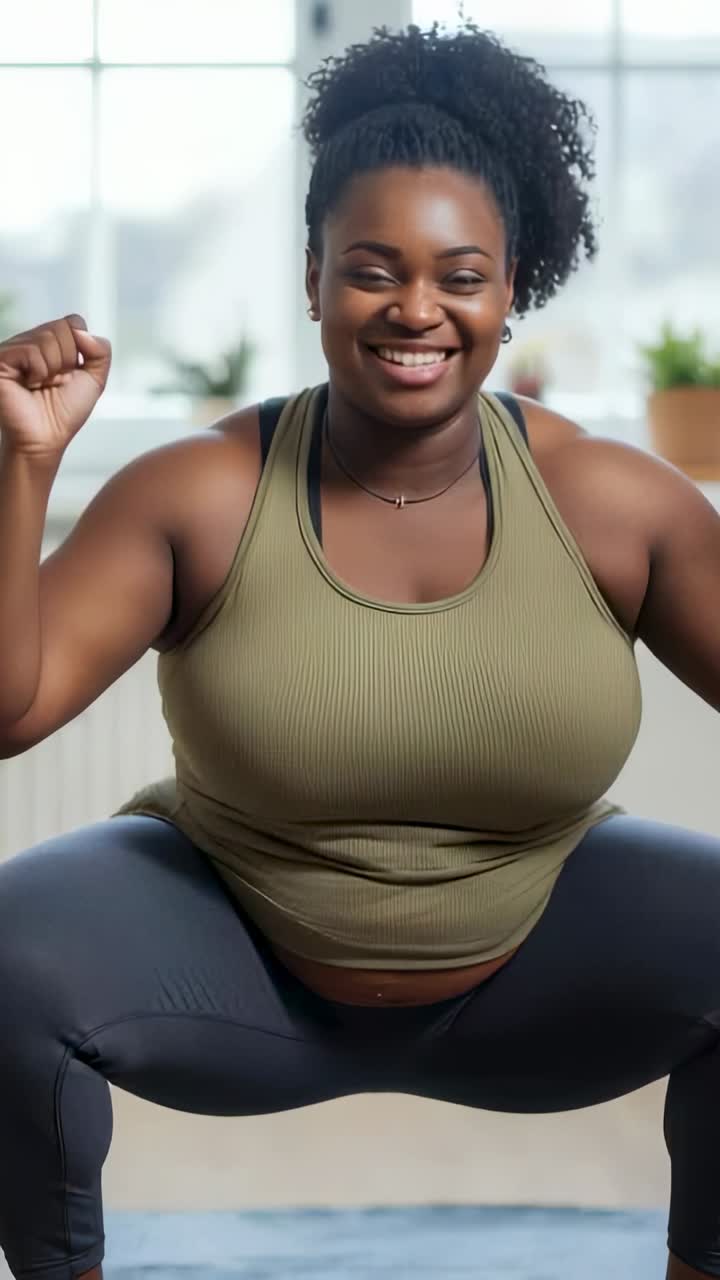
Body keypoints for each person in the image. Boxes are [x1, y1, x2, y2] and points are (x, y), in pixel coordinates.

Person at [1, 18, 719, 1280]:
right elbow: (12, 711)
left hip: (541, 963)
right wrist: (24, 462)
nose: (416, 310)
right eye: (373, 270)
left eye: (460, 274)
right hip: (231, 959)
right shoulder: (199, 491)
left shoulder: (613, 501)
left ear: (511, 286)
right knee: (9, 955)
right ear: (313, 276)